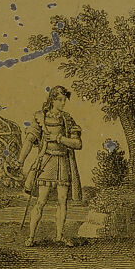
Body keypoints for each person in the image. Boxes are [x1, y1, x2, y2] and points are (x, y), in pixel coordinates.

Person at [17, 86, 82, 247]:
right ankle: (31, 237)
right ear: (52, 100)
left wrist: (59, 138)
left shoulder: (67, 119)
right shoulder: (41, 118)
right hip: (46, 162)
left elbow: (77, 143)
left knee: (62, 201)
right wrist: (20, 161)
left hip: (63, 163)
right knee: (41, 201)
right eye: (59, 99)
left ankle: (59, 236)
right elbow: (29, 140)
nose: (63, 103)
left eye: (64, 100)